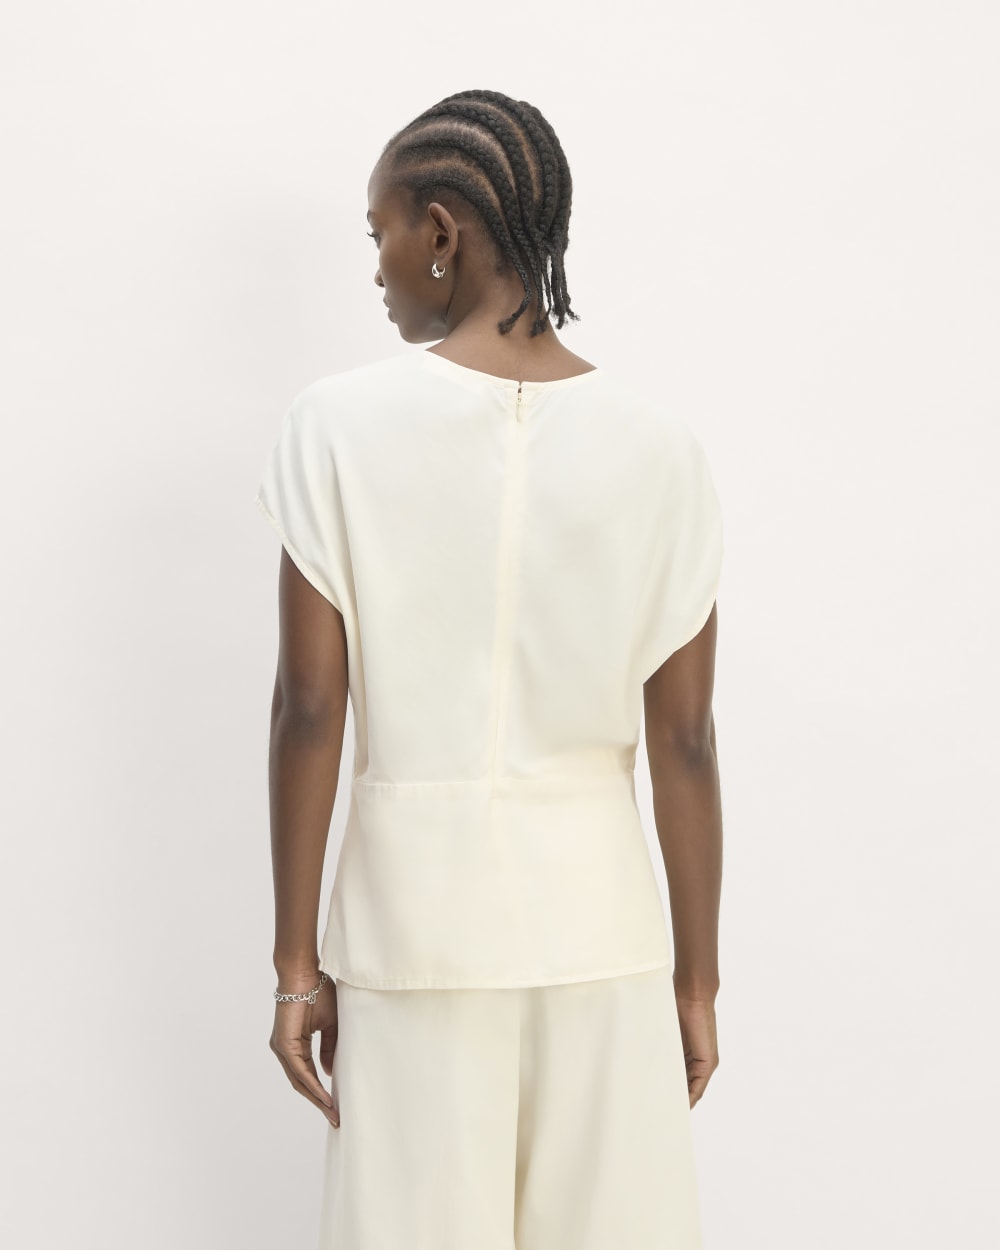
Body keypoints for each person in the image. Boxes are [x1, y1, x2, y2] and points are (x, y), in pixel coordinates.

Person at [256, 88, 724, 1250]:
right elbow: (684, 742)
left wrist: (295, 967)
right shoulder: (664, 451)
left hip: (413, 933)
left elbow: (311, 707)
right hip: (606, 935)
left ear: (441, 232)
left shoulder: (335, 426)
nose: (377, 267)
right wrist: (696, 982)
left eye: (380, 233)